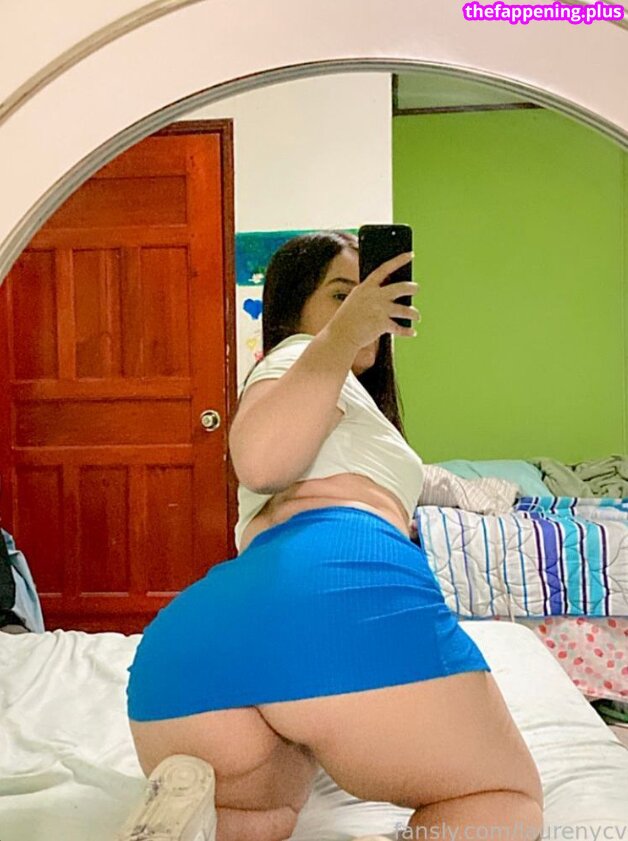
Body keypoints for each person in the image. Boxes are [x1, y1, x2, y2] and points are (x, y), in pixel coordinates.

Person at [121, 231, 543, 841]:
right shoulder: (301, 357)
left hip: (195, 647)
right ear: (295, 309)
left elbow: (409, 480)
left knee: (266, 813)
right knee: (501, 795)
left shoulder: (336, 398)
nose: (363, 310)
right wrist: (343, 335)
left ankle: (219, 817)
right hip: (334, 591)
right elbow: (261, 461)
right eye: (343, 295)